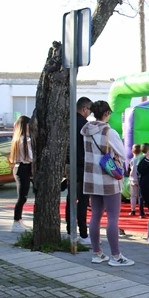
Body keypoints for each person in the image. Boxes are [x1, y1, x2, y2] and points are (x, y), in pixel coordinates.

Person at [80, 100, 134, 267]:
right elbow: (123, 154)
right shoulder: (109, 131)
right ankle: (116, 256)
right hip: (108, 178)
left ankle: (97, 253)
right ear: (106, 113)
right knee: (112, 218)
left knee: (95, 216)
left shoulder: (86, 131)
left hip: (91, 178)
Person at [66, 96, 91, 240]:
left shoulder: (68, 122)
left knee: (71, 198)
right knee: (82, 200)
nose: (89, 114)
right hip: (82, 165)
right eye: (89, 110)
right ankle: (82, 233)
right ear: (84, 109)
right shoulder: (84, 125)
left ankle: (70, 231)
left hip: (70, 165)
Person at [10, 115, 34, 233]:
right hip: (22, 169)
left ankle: (18, 220)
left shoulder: (18, 138)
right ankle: (16, 221)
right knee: (22, 197)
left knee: (23, 196)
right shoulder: (24, 140)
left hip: (21, 168)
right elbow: (30, 157)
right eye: (28, 126)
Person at [128, 144, 145, 217]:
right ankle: (141, 211)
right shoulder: (141, 158)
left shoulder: (131, 160)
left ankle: (133, 210)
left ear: (132, 151)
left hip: (132, 179)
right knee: (140, 196)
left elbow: (129, 169)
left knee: (133, 196)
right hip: (140, 179)